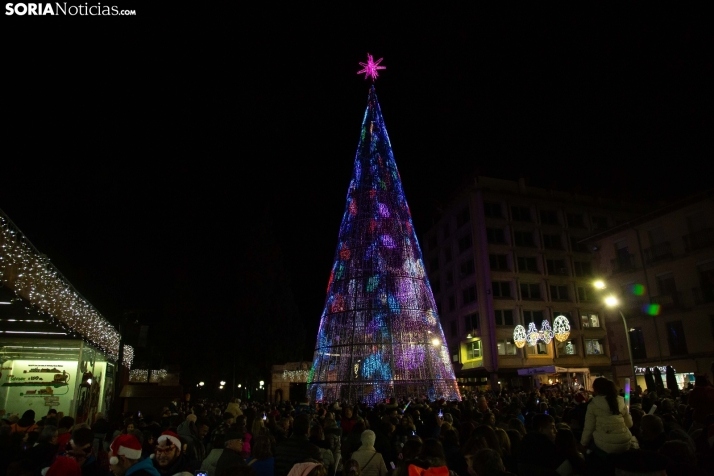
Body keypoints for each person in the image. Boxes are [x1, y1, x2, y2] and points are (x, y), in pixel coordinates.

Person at [579, 377, 633, 455]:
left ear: (597, 390)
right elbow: (629, 424)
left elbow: (589, 428)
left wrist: (583, 444)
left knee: (589, 454)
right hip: (625, 442)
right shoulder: (621, 401)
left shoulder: (593, 405)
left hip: (604, 445)